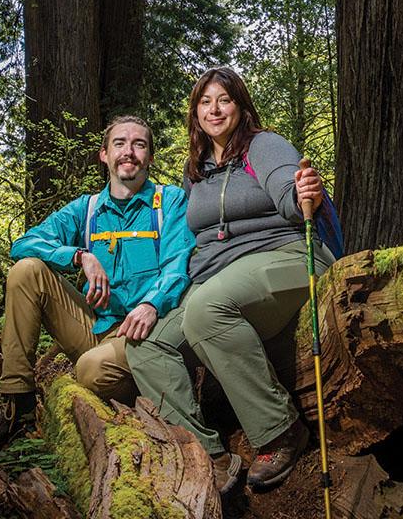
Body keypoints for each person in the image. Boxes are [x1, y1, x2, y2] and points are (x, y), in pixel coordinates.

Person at [129, 67, 334, 491]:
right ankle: (206, 453)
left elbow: (287, 190)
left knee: (206, 311)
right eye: (205, 102)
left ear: (240, 106)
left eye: (223, 99)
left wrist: (302, 193)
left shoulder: (265, 145)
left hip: (287, 256)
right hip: (219, 275)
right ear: (195, 112)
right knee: (147, 343)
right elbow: (190, 239)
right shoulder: (196, 169)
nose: (214, 109)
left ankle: (279, 430)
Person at [0, 115, 195, 461]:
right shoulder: (86, 209)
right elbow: (23, 244)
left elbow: (178, 265)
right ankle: (19, 406)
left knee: (90, 369)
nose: (128, 152)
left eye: (139, 144)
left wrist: (151, 304)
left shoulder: (170, 202)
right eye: (119, 143)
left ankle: (151, 400)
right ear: (104, 155)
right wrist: (78, 256)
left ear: (149, 157)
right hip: (95, 328)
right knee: (27, 271)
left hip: (146, 333)